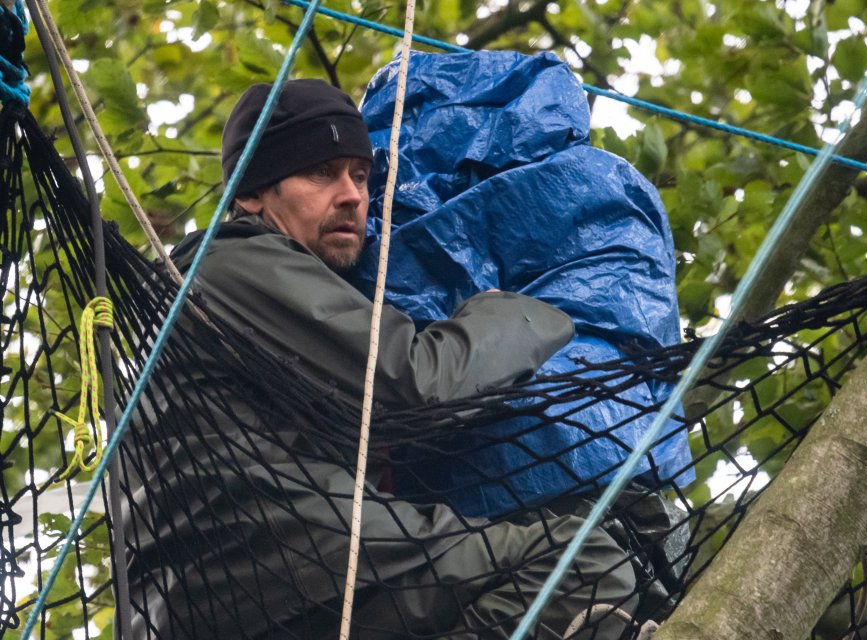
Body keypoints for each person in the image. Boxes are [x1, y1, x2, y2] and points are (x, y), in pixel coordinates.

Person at [124, 78, 641, 640]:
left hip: (234, 593)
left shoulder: (205, 288)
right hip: (285, 571)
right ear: (252, 194)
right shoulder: (231, 267)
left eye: (361, 175)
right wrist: (516, 313)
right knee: (583, 564)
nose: (351, 195)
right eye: (321, 172)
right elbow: (413, 382)